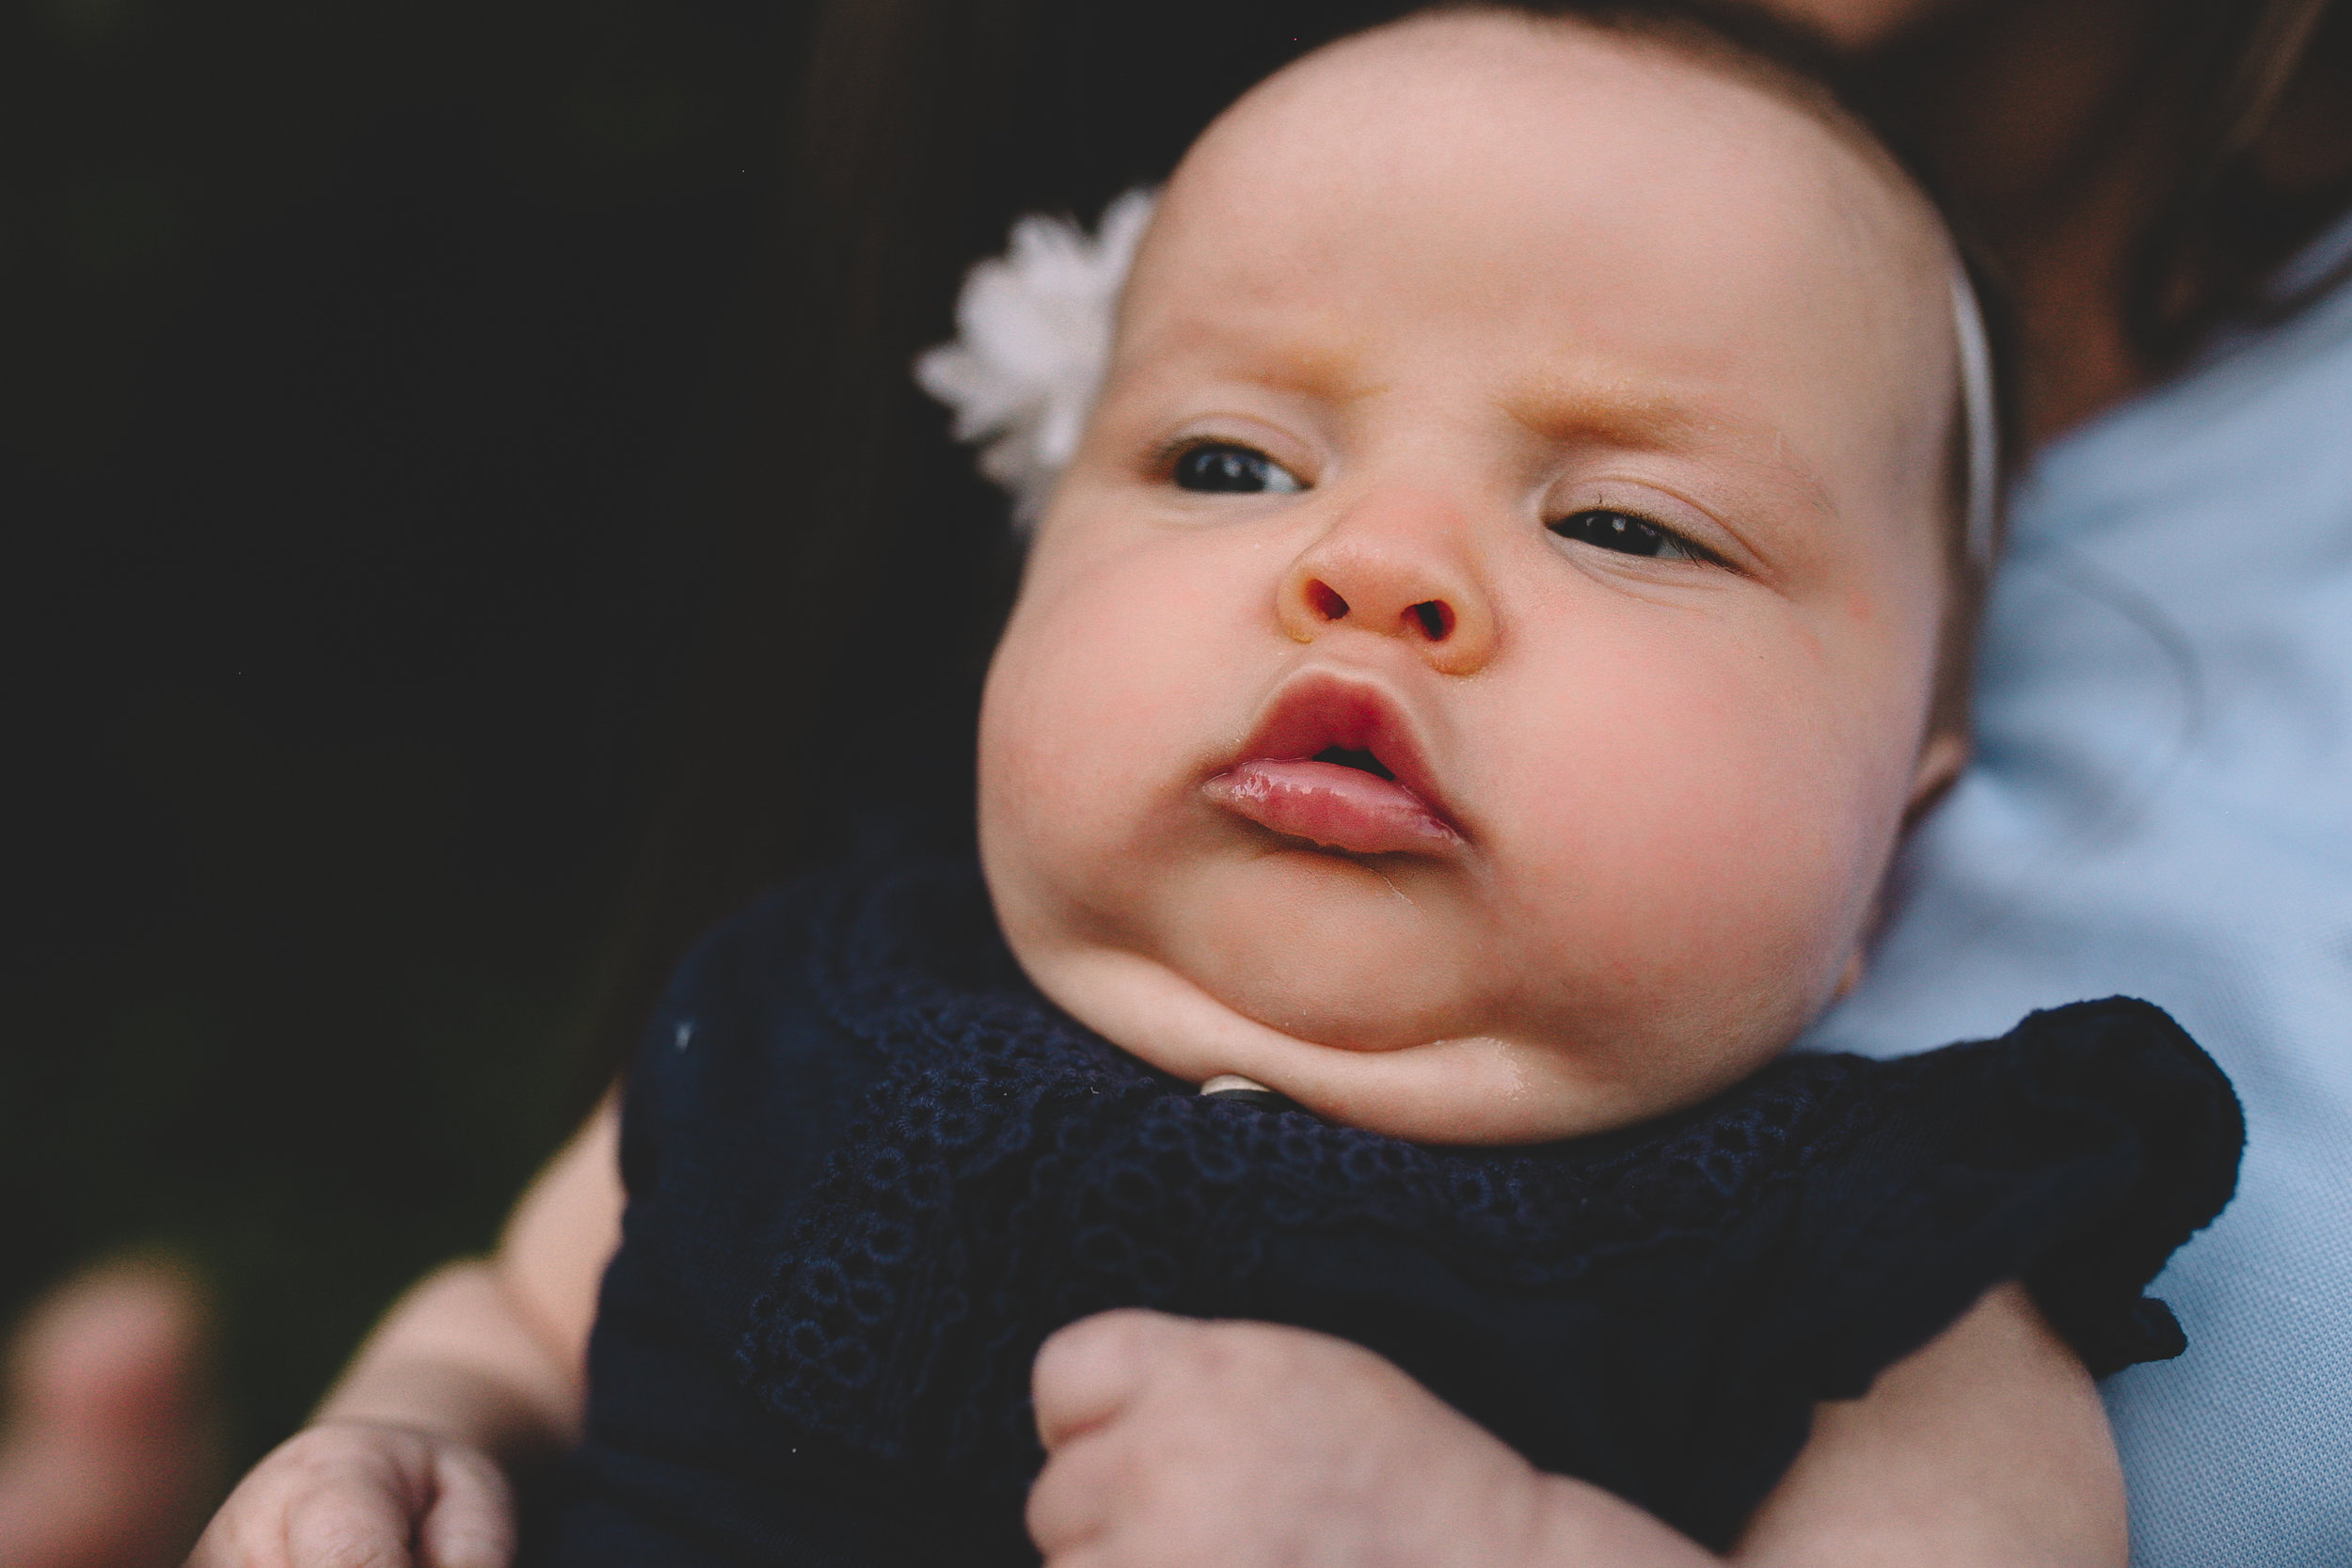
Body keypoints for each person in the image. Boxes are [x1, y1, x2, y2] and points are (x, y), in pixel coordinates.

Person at [185, 6, 2247, 1564]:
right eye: (1229, 467)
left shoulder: (1878, 1280)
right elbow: (513, 1318)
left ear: (1900, 804)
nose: (1368, 572)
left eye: (1623, 526)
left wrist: (1485, 1541)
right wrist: (409, 1439)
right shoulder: (805, 998)